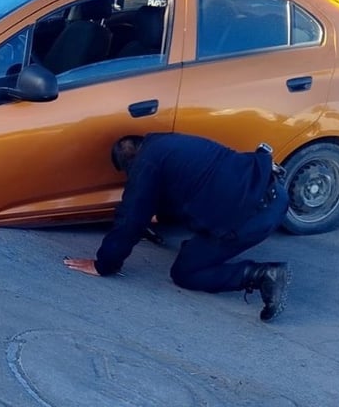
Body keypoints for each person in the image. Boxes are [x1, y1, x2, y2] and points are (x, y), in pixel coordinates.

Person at [63, 133, 292, 322]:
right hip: (274, 192)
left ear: (130, 164)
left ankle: (262, 275)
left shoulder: (145, 164)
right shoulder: (168, 144)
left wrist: (104, 264)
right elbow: (182, 191)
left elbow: (130, 218)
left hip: (253, 216)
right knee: (200, 232)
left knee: (186, 272)